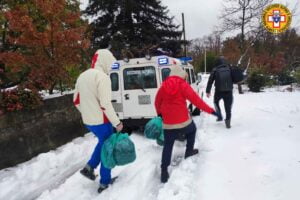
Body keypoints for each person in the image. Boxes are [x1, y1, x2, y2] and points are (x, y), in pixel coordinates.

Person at [155, 62, 221, 183]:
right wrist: (212, 111)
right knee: (192, 130)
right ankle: (189, 151)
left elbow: (157, 102)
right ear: (181, 75)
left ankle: (164, 171)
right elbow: (197, 102)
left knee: (168, 146)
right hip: (183, 122)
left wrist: (160, 114)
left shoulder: (163, 86)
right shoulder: (183, 85)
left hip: (168, 124)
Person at [73, 49, 123, 193]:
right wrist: (117, 123)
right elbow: (105, 104)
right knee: (108, 149)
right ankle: (104, 182)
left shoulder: (82, 76)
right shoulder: (102, 77)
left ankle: (89, 167)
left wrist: (88, 112)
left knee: (102, 142)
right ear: (106, 61)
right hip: (103, 122)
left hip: (89, 122)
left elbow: (76, 100)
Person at [206, 56, 234, 128]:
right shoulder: (230, 68)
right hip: (229, 91)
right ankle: (228, 122)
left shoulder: (215, 69)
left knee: (216, 102)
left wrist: (208, 91)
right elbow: (235, 78)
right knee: (228, 107)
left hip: (218, 91)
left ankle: (219, 116)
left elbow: (210, 81)